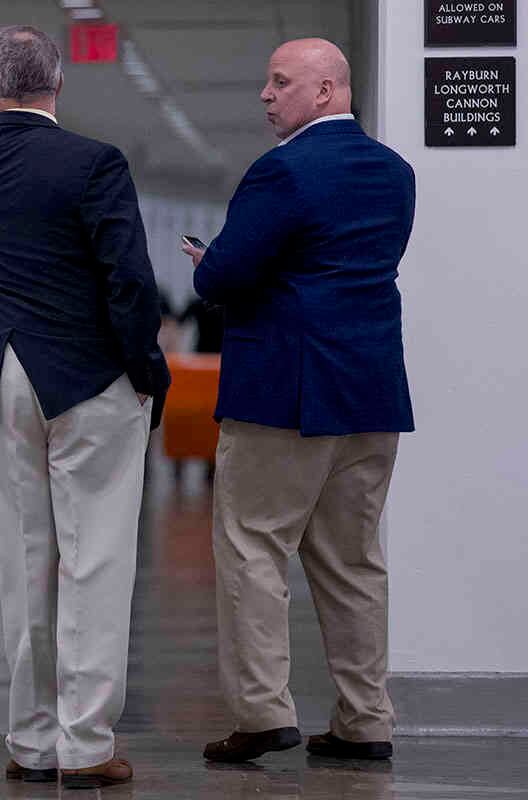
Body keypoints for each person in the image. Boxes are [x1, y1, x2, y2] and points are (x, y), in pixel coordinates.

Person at [0, 25, 170, 790]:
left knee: (24, 559)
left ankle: (32, 743)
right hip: (87, 378)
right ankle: (86, 744)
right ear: (58, 84)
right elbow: (129, 281)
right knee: (95, 559)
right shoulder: (94, 163)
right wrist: (146, 372)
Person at [182, 39, 415, 763]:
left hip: (285, 395)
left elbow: (222, 279)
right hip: (371, 394)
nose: (265, 94)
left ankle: (262, 713)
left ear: (326, 91)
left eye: (280, 82)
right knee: (354, 564)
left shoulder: (281, 173)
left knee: (254, 546)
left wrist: (211, 262)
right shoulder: (394, 172)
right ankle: (365, 719)